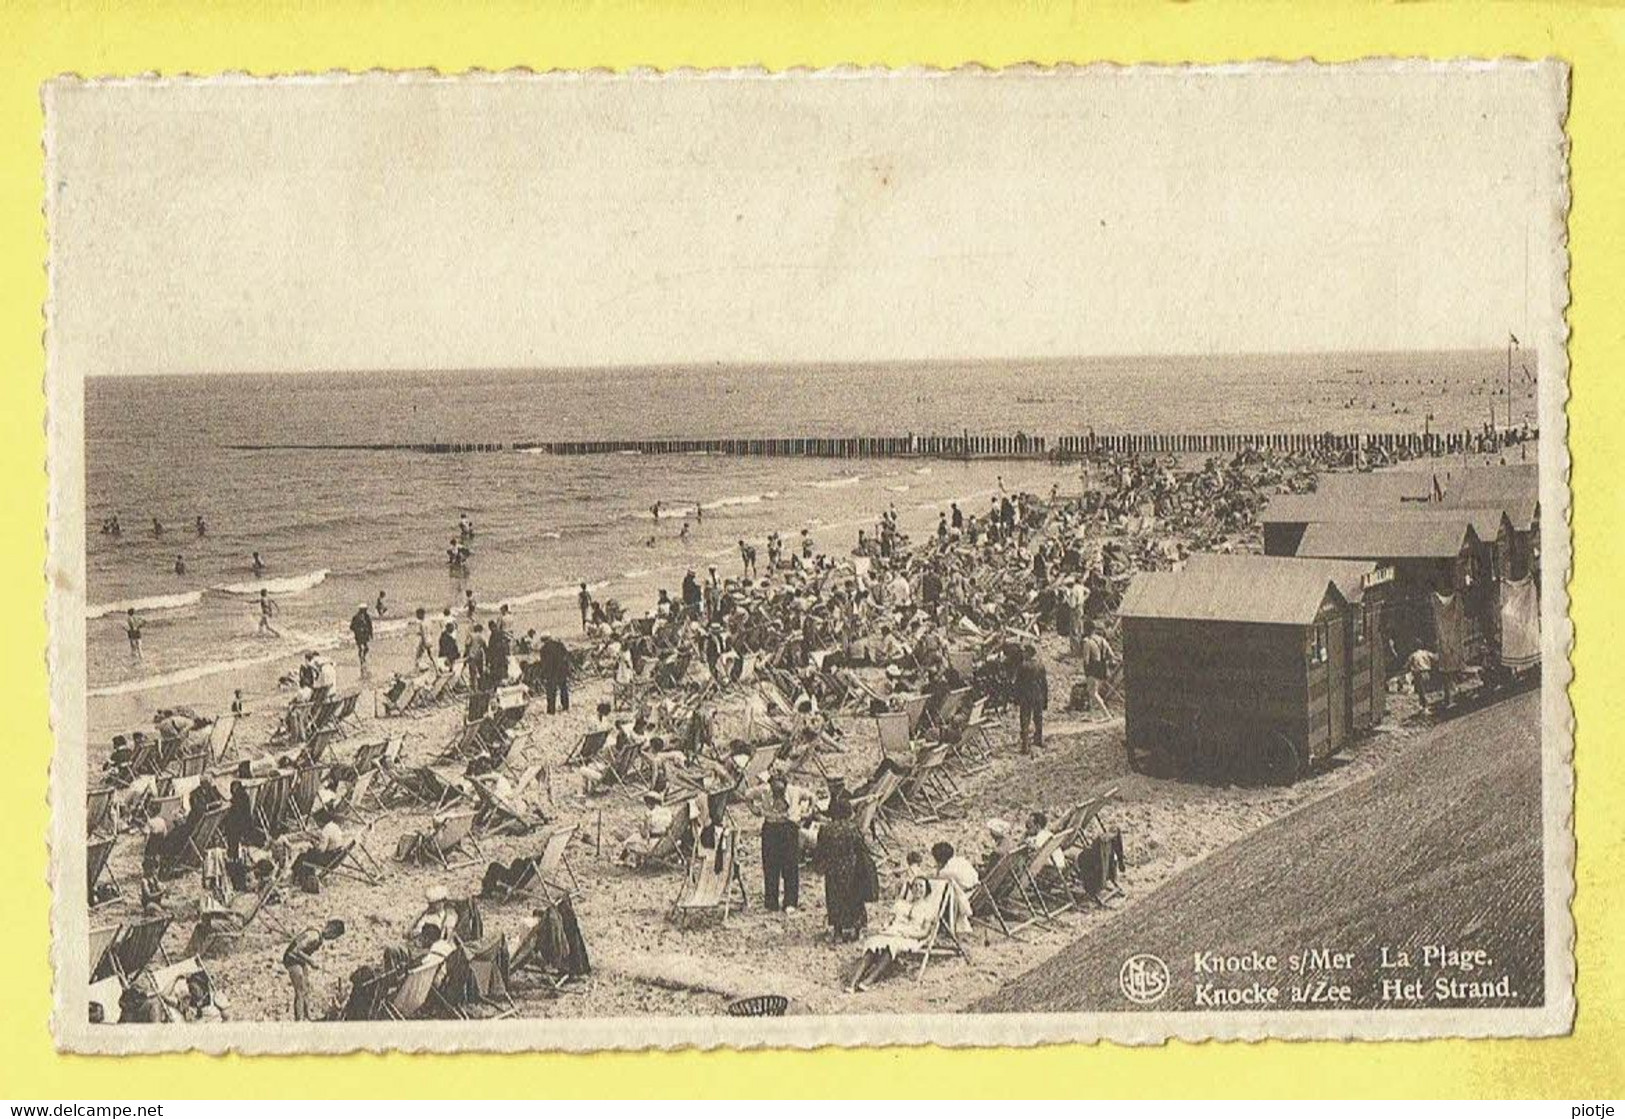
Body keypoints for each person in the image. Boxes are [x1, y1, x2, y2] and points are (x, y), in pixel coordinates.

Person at [846, 875, 939, 992]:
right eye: (915, 885)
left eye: (921, 886)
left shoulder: (929, 908)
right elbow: (890, 921)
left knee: (892, 946)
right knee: (872, 943)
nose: (917, 889)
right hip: (893, 931)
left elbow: (925, 932)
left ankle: (868, 981)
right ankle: (852, 983)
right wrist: (886, 927)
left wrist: (907, 935)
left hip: (911, 936)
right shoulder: (902, 904)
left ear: (927, 890)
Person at [814, 797, 874, 942]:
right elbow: (862, 848)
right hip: (851, 868)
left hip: (833, 869)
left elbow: (820, 850)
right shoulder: (852, 829)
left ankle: (838, 930)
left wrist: (820, 867)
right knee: (853, 897)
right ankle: (855, 928)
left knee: (834, 898)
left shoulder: (825, 829)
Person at [283, 919, 345, 1021]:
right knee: (300, 990)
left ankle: (307, 1016)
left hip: (300, 960)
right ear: (331, 930)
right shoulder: (314, 935)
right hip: (291, 959)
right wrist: (310, 961)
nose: (331, 939)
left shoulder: (318, 937)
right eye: (333, 936)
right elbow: (297, 950)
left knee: (306, 987)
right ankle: (299, 1020)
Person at [755, 774, 801, 913]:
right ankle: (771, 902)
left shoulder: (794, 791)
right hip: (770, 828)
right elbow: (747, 795)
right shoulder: (764, 791)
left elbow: (811, 797)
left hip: (788, 829)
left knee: (791, 866)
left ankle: (790, 902)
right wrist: (755, 810)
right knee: (770, 866)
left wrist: (806, 811)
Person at [1014, 644, 1049, 752]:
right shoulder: (1040, 665)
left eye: (1025, 652)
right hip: (1038, 694)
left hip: (1026, 695)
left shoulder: (1022, 666)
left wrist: (1016, 698)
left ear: (1029, 653)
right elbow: (1044, 683)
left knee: (1025, 719)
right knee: (1038, 718)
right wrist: (1045, 698)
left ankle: (1025, 744)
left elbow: (1018, 684)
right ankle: (1039, 739)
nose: (1023, 654)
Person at [1078, 621, 1116, 721]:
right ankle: (1092, 716)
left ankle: (1107, 714)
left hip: (1092, 668)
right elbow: (1111, 654)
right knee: (1091, 691)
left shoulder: (1087, 641)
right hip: (1101, 667)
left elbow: (1086, 659)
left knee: (1093, 693)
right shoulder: (1102, 640)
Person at [537, 633, 571, 714]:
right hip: (562, 670)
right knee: (563, 688)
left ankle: (551, 710)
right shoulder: (559, 645)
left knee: (551, 691)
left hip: (552, 672)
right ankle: (565, 706)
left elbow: (544, 664)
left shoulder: (543, 649)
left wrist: (544, 674)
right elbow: (566, 656)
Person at [349, 603, 373, 668]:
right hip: (359, 635)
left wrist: (371, 634)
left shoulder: (367, 617)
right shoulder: (356, 617)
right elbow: (351, 627)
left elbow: (370, 626)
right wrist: (358, 630)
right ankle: (361, 659)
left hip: (365, 634)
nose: (365, 611)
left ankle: (363, 657)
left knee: (366, 648)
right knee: (360, 648)